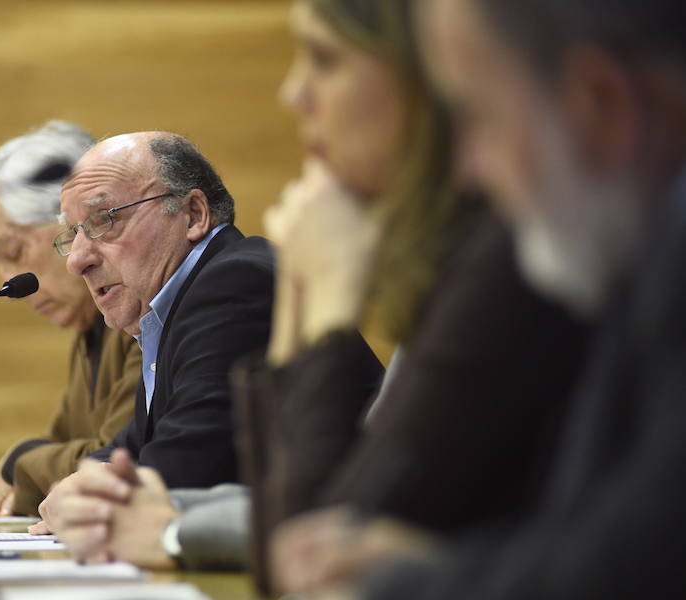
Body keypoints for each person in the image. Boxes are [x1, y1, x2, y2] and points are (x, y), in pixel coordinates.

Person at [36, 0, 589, 577]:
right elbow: (327, 522)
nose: (294, 94)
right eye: (71, 235)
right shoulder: (466, 257)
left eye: (325, 59)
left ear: (432, 78)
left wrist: (319, 306)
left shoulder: (234, 280)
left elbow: (322, 540)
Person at [274, 0, 686, 597]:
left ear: (604, 106)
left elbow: (637, 561)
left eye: (476, 115)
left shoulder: (534, 259)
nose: (469, 168)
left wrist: (420, 584)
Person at [32, 131, 354, 540]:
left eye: (103, 221)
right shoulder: (171, 311)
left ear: (194, 214)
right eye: (73, 233)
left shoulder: (235, 284)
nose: (77, 260)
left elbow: (184, 473)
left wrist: (86, 494)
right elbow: (135, 446)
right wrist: (83, 480)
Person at [0, 120, 141, 516]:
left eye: (14, 252)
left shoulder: (139, 313)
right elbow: (61, 449)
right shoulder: (90, 324)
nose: (8, 283)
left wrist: (21, 461)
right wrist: (32, 463)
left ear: (72, 226)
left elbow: (118, 457)